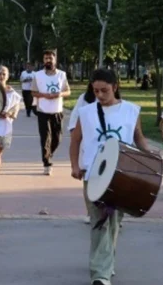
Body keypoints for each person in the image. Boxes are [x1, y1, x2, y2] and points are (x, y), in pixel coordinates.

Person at [69, 69, 153, 285]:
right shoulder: (86, 112)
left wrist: (150, 155)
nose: (99, 95)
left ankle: (105, 262)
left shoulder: (131, 110)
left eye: (104, 90)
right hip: (94, 173)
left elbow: (138, 138)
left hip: (123, 176)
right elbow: (75, 140)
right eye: (95, 90)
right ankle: (100, 274)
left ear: (115, 87)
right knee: (100, 222)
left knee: (114, 222)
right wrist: (75, 165)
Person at [31, 50, 71, 176]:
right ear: (43, 60)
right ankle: (47, 163)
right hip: (43, 111)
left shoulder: (61, 75)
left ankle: (48, 153)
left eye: (50, 58)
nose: (48, 60)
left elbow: (68, 91)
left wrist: (59, 94)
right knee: (45, 137)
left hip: (57, 110)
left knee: (57, 138)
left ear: (55, 60)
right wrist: (44, 95)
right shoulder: (37, 75)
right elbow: (33, 92)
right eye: (46, 58)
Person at [67, 83, 95, 225]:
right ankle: (92, 212)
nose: (100, 94)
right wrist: (78, 140)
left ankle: (113, 214)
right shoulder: (84, 99)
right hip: (89, 149)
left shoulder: (121, 106)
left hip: (112, 150)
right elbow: (73, 124)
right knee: (90, 181)